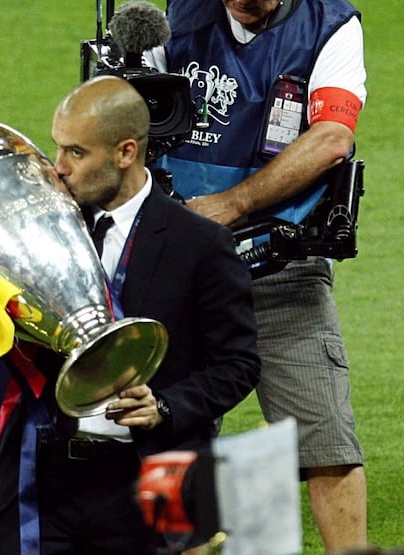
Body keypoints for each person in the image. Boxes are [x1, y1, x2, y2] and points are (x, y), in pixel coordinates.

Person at [0, 75, 261, 554]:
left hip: (147, 482)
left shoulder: (199, 244)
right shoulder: (28, 229)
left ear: (125, 153)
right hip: (42, 476)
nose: (57, 169)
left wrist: (164, 407)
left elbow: (238, 365)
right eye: (58, 148)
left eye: (76, 153)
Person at [153, 0, 369, 551]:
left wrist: (232, 203)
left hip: (282, 264)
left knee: (326, 446)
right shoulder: (177, 18)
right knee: (169, 438)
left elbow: (332, 138)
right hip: (183, 271)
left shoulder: (331, 26)